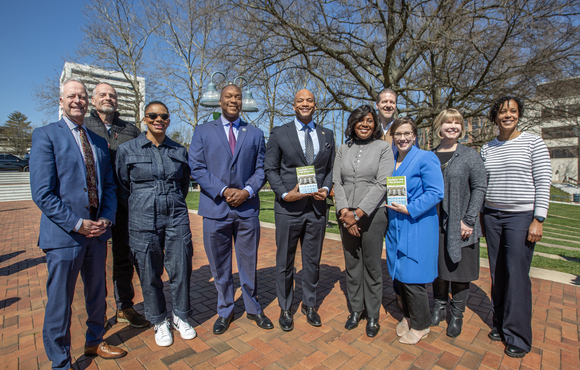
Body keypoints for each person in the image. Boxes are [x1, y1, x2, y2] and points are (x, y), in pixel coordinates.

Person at [30, 78, 126, 369]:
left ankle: (95, 341)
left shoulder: (97, 141)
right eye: (72, 96)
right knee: (60, 303)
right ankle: (60, 360)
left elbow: (108, 185)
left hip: (96, 234)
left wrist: (106, 218)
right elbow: (42, 193)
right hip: (64, 236)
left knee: (97, 294)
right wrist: (77, 224)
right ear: (61, 101)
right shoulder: (45, 135)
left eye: (82, 96)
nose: (78, 101)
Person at [189, 84, 272, 335]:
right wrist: (224, 190)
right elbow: (196, 167)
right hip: (215, 208)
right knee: (219, 265)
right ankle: (225, 309)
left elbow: (262, 169)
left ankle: (253, 307)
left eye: (237, 97)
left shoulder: (255, 133)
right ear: (220, 101)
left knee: (249, 263)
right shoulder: (202, 131)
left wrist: (247, 190)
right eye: (228, 96)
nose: (233, 100)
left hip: (247, 210)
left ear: (242, 101)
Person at [116, 101, 196, 347]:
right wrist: (143, 203)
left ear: (168, 120)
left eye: (163, 116)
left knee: (181, 267)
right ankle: (159, 320)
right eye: (153, 116)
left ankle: (181, 316)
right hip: (142, 216)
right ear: (145, 119)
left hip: (176, 215)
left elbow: (183, 185)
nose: (158, 119)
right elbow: (121, 186)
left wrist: (170, 201)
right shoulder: (127, 150)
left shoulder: (179, 150)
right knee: (149, 270)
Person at [480, 96, 552, 358]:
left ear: (519, 114)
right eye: (502, 112)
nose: (507, 115)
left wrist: (538, 218)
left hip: (521, 217)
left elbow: (544, 180)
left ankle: (518, 335)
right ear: (495, 117)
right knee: (498, 273)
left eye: (512, 111)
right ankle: (500, 324)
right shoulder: (488, 147)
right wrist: (480, 215)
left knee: (517, 275)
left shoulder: (533, 142)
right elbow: (483, 184)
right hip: (491, 215)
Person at [264, 89, 335, 331]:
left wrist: (326, 189)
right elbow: (270, 169)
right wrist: (284, 193)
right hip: (288, 208)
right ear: (294, 105)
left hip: (316, 208)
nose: (305, 104)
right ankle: (286, 307)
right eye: (300, 100)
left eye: (310, 100)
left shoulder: (327, 134)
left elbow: (330, 169)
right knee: (285, 261)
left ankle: (310, 305)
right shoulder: (279, 133)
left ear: (315, 105)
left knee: (312, 261)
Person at [84, 82, 146, 328]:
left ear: (117, 101)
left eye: (112, 95)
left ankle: (125, 307)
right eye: (102, 94)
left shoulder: (130, 129)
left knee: (123, 258)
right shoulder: (84, 126)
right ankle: (96, 316)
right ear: (93, 99)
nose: (107, 98)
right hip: (92, 207)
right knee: (93, 263)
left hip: (123, 206)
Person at [333, 105, 394, 337]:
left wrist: (357, 214)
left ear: (375, 123)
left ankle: (373, 314)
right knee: (352, 265)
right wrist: (345, 213)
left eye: (369, 120)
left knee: (372, 266)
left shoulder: (383, 148)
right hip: (345, 215)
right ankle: (356, 310)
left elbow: (382, 183)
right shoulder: (343, 148)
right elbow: (337, 182)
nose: (365, 124)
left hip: (373, 216)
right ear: (353, 123)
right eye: (360, 120)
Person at [385, 117, 444, 345]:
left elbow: (436, 192)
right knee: (400, 274)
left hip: (416, 224)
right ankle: (409, 316)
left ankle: (421, 326)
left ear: (415, 136)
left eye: (407, 133)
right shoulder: (391, 159)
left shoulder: (425, 157)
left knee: (413, 278)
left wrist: (410, 208)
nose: (402, 138)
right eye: (398, 134)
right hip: (396, 226)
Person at [429, 109, 487, 338]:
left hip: (461, 224)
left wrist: (469, 219)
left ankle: (457, 314)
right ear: (439, 127)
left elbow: (480, 188)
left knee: (460, 271)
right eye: (447, 122)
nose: (452, 126)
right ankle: (439, 306)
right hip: (435, 223)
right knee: (439, 270)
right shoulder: (430, 155)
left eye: (457, 123)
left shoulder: (470, 155)